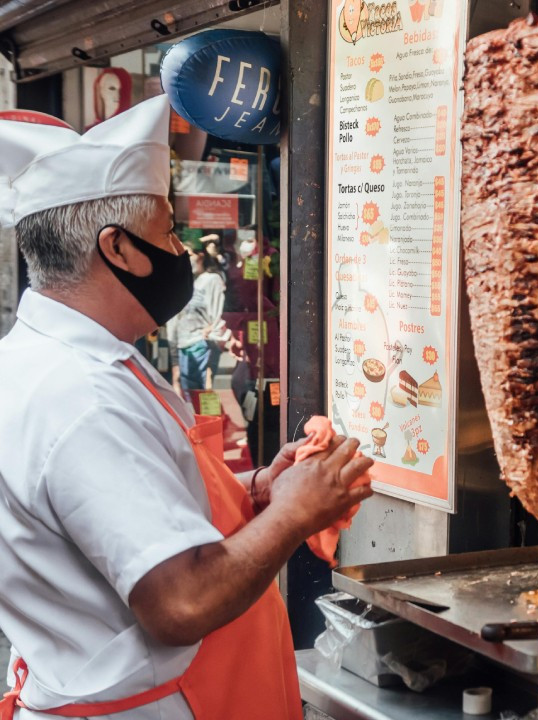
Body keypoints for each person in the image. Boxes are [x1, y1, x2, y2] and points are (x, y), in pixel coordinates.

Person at [0, 96, 373, 720]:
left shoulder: (52, 361)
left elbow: (127, 509)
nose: (180, 246)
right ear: (118, 249)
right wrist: (291, 517)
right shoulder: (81, 396)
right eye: (168, 230)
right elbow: (182, 605)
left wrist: (255, 490)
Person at [168, 249, 227, 391]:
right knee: (189, 397)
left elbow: (217, 310)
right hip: (183, 345)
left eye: (189, 255)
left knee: (204, 395)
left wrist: (212, 338)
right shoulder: (183, 282)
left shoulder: (211, 279)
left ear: (200, 256)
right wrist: (174, 357)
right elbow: (174, 320)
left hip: (202, 343)